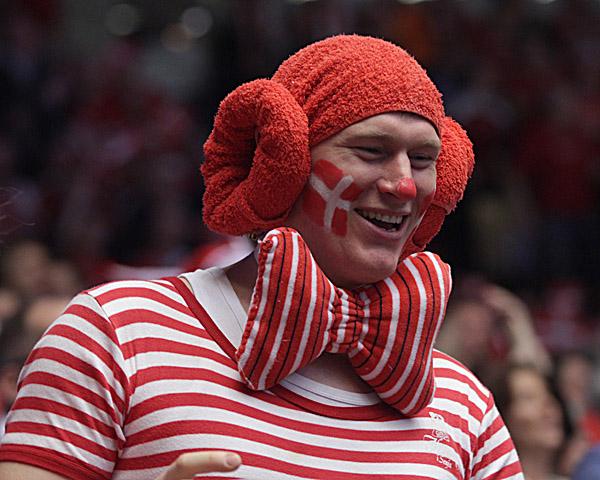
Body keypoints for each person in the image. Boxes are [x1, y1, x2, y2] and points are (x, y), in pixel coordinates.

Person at [0, 35, 523, 479]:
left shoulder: (462, 404)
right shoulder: (113, 333)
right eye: (370, 150)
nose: (404, 184)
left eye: (424, 159)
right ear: (283, 158)